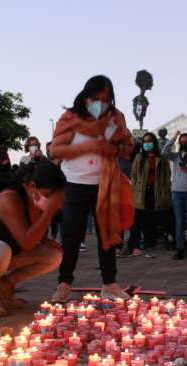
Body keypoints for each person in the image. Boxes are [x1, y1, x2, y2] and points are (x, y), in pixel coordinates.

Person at [49, 75, 134, 303]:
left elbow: (127, 146)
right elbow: (55, 150)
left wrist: (112, 148)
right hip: (75, 183)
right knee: (71, 235)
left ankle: (110, 284)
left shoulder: (116, 118)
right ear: (87, 96)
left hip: (105, 184)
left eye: (106, 100)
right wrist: (89, 146)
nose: (101, 104)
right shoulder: (70, 117)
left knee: (107, 234)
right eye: (96, 99)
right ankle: (64, 284)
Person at [0, 161, 66, 316]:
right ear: (32, 186)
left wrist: (47, 239)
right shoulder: (8, 198)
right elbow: (27, 242)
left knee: (54, 254)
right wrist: (49, 211)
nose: (52, 201)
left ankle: (5, 285)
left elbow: (35, 235)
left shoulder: (34, 199)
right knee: (0, 249)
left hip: (5, 252)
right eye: (48, 195)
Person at [127, 132, 171, 256]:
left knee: (151, 218)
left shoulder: (161, 158)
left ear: (154, 142)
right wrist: (135, 189)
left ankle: (149, 242)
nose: (147, 144)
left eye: (149, 141)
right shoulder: (139, 157)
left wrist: (164, 189)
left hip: (155, 191)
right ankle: (133, 244)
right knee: (136, 219)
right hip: (141, 191)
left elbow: (167, 175)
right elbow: (134, 175)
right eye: (145, 142)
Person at [162, 131, 187, 260]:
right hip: (177, 192)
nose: (184, 143)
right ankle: (180, 249)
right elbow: (164, 152)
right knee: (179, 222)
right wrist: (173, 137)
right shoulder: (176, 157)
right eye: (182, 141)